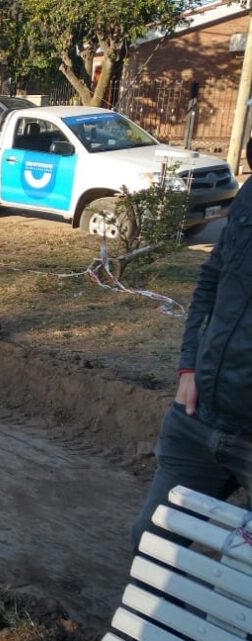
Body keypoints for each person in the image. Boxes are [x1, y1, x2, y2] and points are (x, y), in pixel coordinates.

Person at [130, 178, 252, 550]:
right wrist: (189, 368)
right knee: (151, 544)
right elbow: (211, 279)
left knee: (241, 568)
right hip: (198, 422)